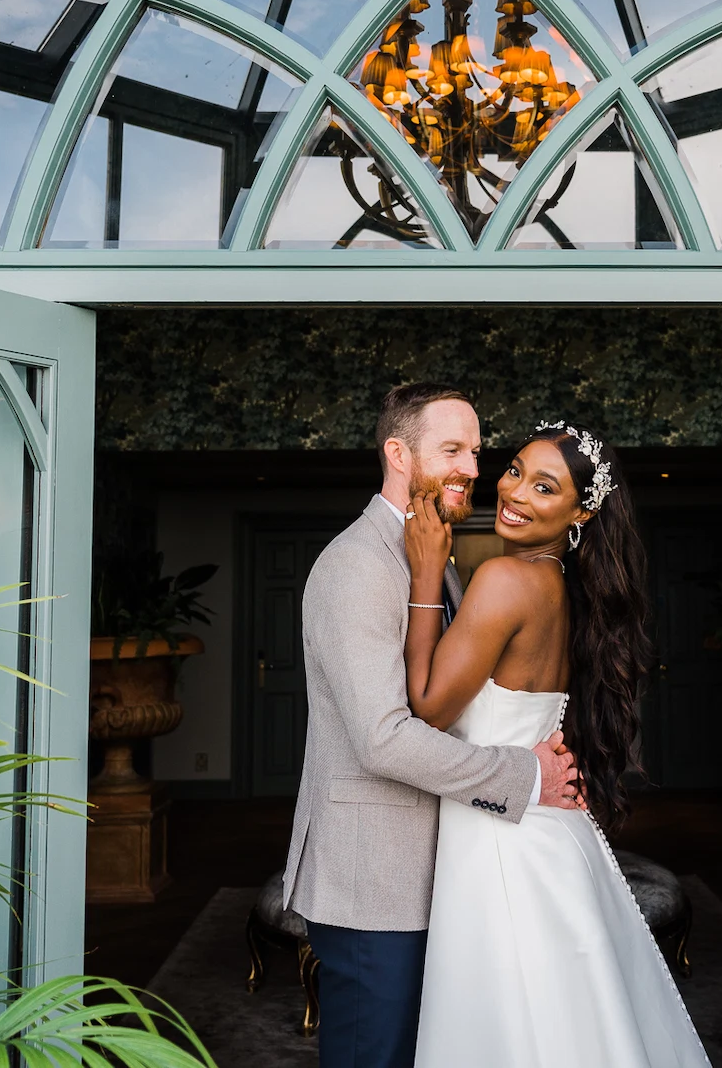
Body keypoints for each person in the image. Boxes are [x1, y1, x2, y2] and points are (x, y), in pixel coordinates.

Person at [282, 383, 583, 1068]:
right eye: (452, 450)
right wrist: (525, 773)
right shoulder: (357, 565)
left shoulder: (434, 558)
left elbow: (453, 704)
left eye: (476, 452)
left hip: (442, 874)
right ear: (398, 453)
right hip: (373, 883)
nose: (473, 468)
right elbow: (384, 737)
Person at [403, 421, 711, 1067]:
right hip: (544, 828)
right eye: (514, 470)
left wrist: (428, 573)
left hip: (501, 838)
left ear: (581, 511)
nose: (514, 491)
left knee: (510, 1024)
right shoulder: (564, 587)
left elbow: (428, 709)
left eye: (545, 487)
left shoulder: (505, 579)